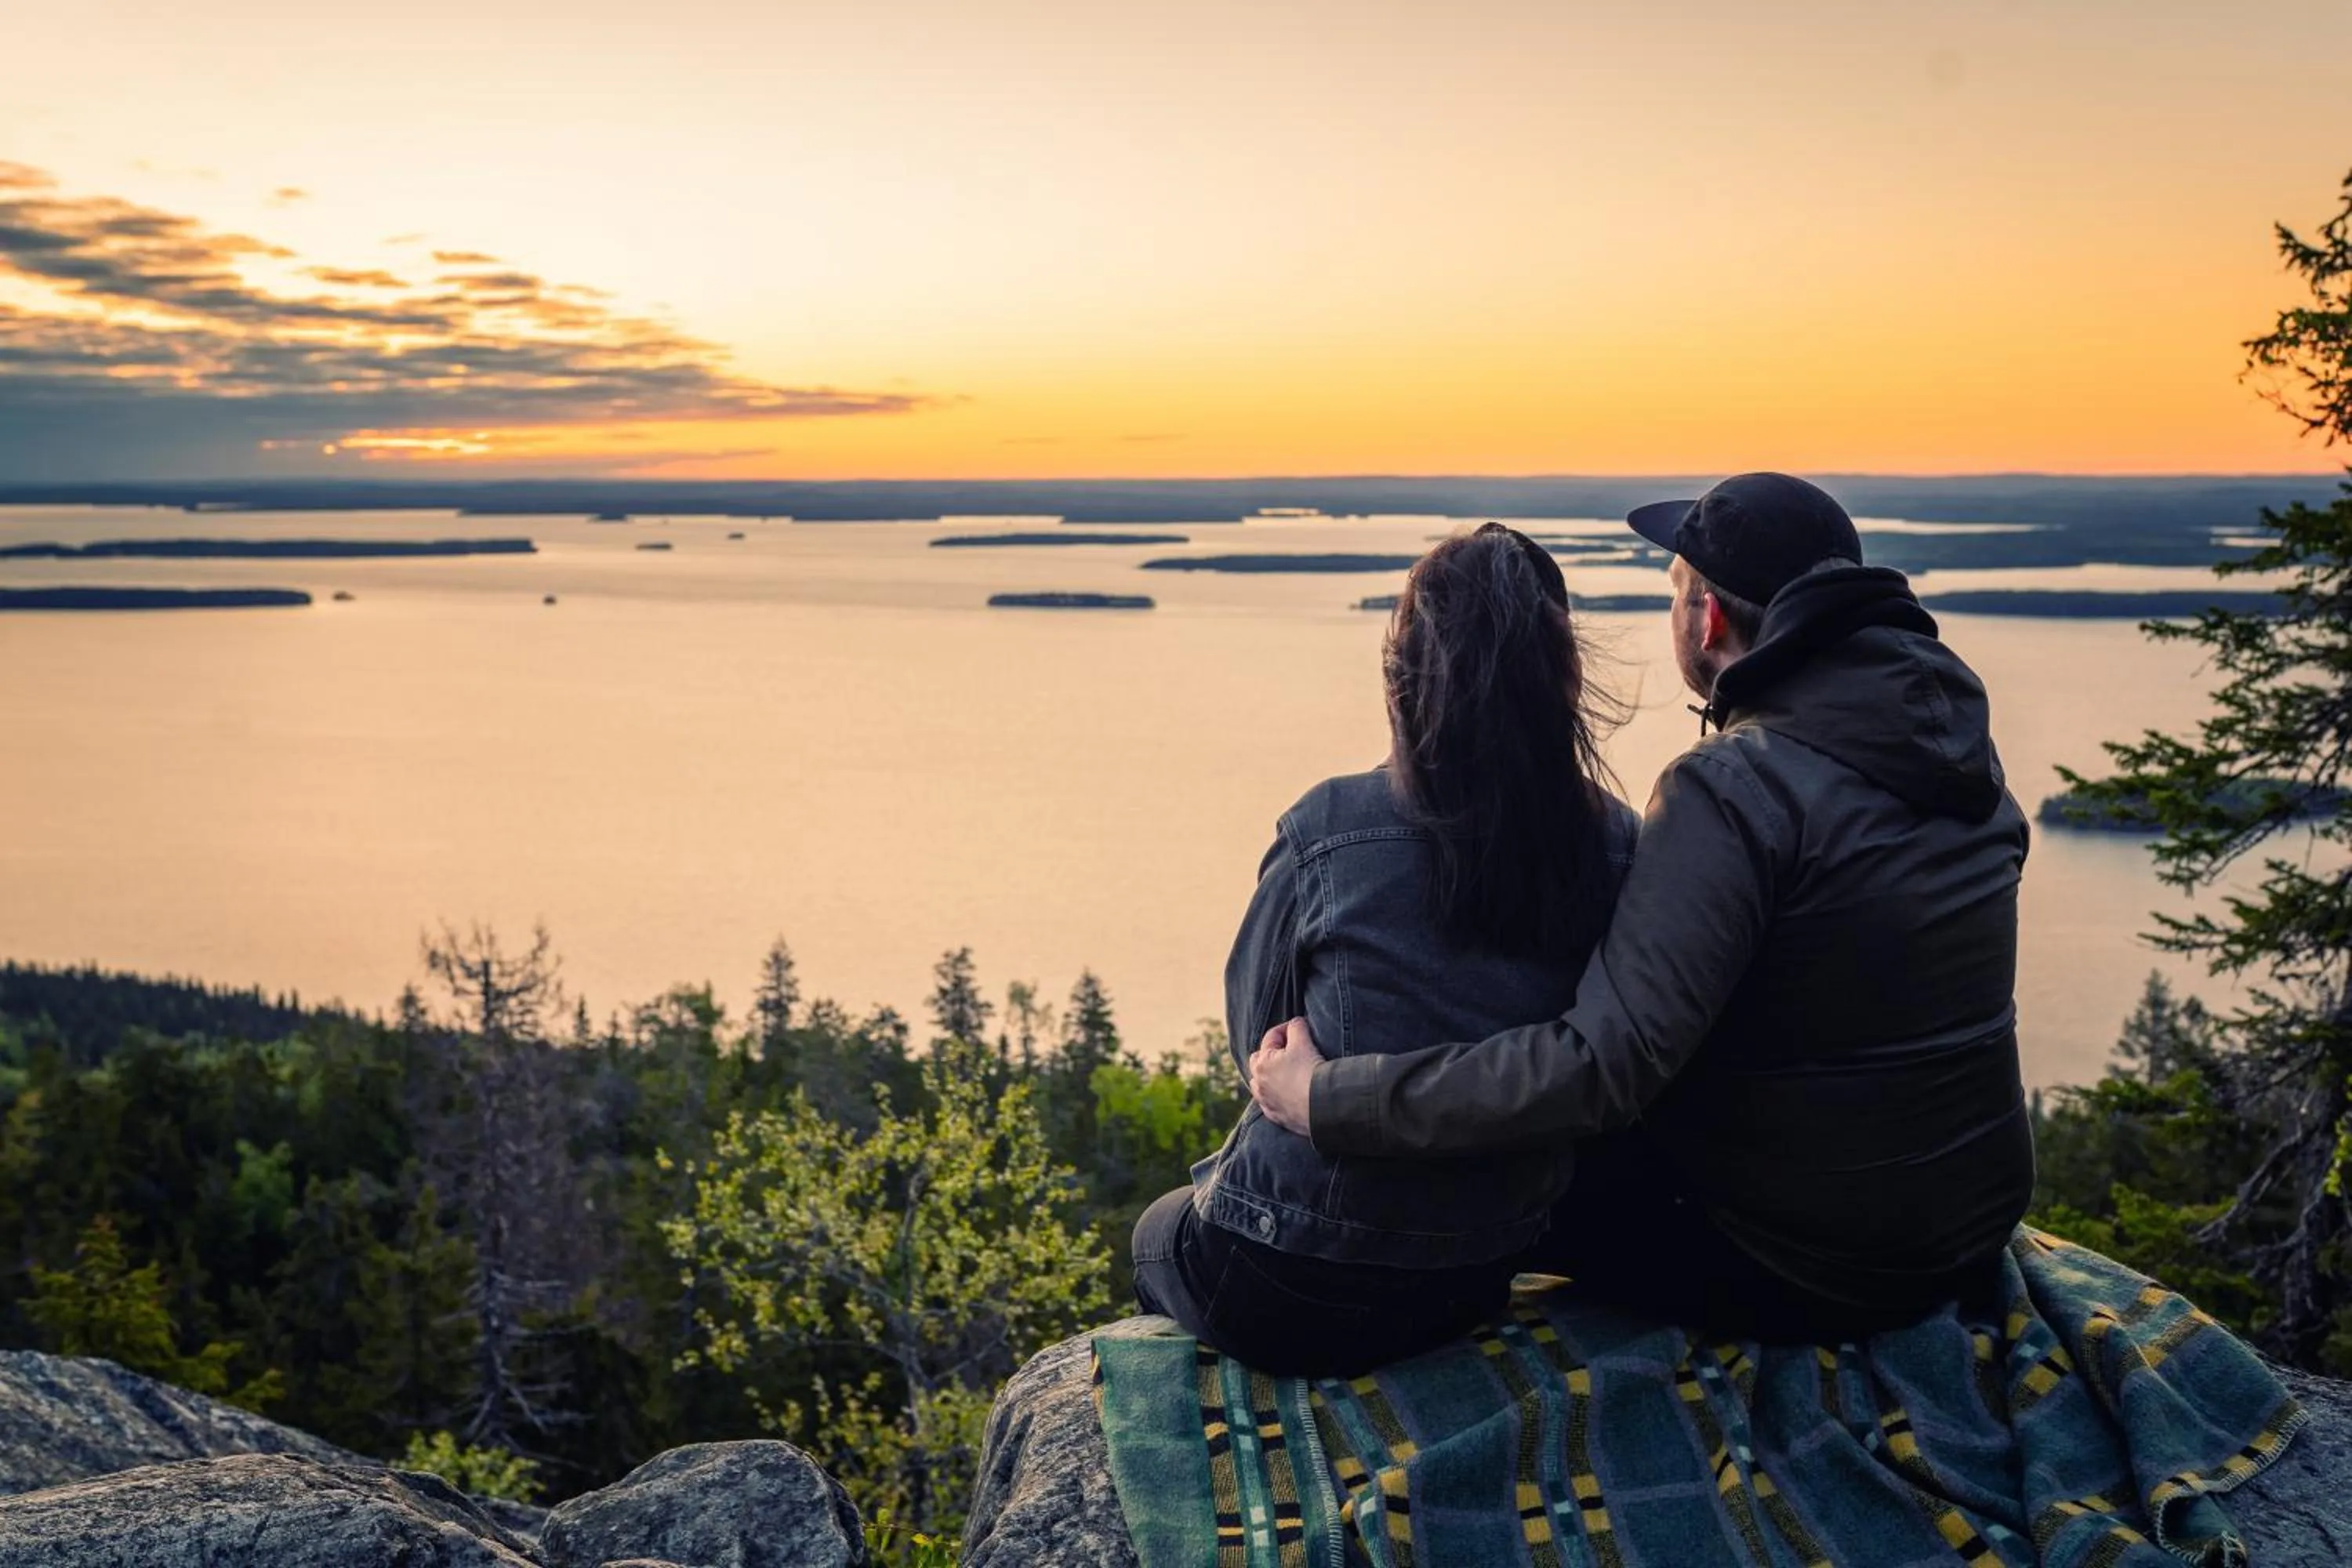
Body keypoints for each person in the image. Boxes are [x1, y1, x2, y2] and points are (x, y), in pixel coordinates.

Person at [1250, 473, 2036, 1343]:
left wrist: (1329, 1096)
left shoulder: (1738, 788)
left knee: (1497, 1180)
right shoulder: (1964, 763)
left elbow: (1597, 1069)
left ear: (1707, 619)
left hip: (1808, 1265)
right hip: (1964, 1230)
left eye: (1674, 592)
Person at [1131, 523, 1639, 1377]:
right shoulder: (1618, 843)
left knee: (1154, 1231)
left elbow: (1256, 1044)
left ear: (1403, 676)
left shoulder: (1328, 825)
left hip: (1284, 1271)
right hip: (1472, 1271)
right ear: (1563, 680)